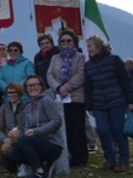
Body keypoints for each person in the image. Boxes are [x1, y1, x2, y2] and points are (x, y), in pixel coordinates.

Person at [84, 35, 133, 173]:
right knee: (102, 130)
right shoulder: (88, 66)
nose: (87, 49)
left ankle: (124, 161)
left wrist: (131, 100)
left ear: (98, 46)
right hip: (99, 104)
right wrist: (89, 106)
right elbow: (88, 87)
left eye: (90, 46)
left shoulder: (114, 60)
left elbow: (126, 80)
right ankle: (110, 159)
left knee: (118, 130)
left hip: (117, 101)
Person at [6, 75, 63, 178]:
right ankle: (43, 166)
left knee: (23, 140)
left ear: (41, 86)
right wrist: (28, 133)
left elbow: (57, 121)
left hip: (53, 144)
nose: (32, 88)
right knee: (14, 153)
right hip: (37, 144)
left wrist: (36, 131)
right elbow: (28, 126)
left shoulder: (46, 100)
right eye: (29, 86)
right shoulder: (28, 107)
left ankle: (39, 170)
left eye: (35, 85)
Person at [46, 29, 87, 167]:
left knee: (78, 129)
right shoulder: (55, 58)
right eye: (63, 41)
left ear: (74, 42)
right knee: (66, 129)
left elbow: (81, 75)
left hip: (76, 98)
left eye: (68, 40)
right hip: (60, 98)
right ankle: (72, 157)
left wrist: (67, 87)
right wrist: (58, 87)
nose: (66, 43)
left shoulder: (81, 57)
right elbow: (49, 75)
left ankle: (81, 158)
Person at [0, 82, 27, 174]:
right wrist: (4, 139)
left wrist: (17, 134)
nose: (12, 95)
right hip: (8, 139)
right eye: (9, 93)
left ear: (19, 93)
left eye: (14, 92)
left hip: (23, 138)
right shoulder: (4, 108)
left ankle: (24, 165)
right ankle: (17, 167)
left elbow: (28, 125)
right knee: (5, 148)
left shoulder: (27, 107)